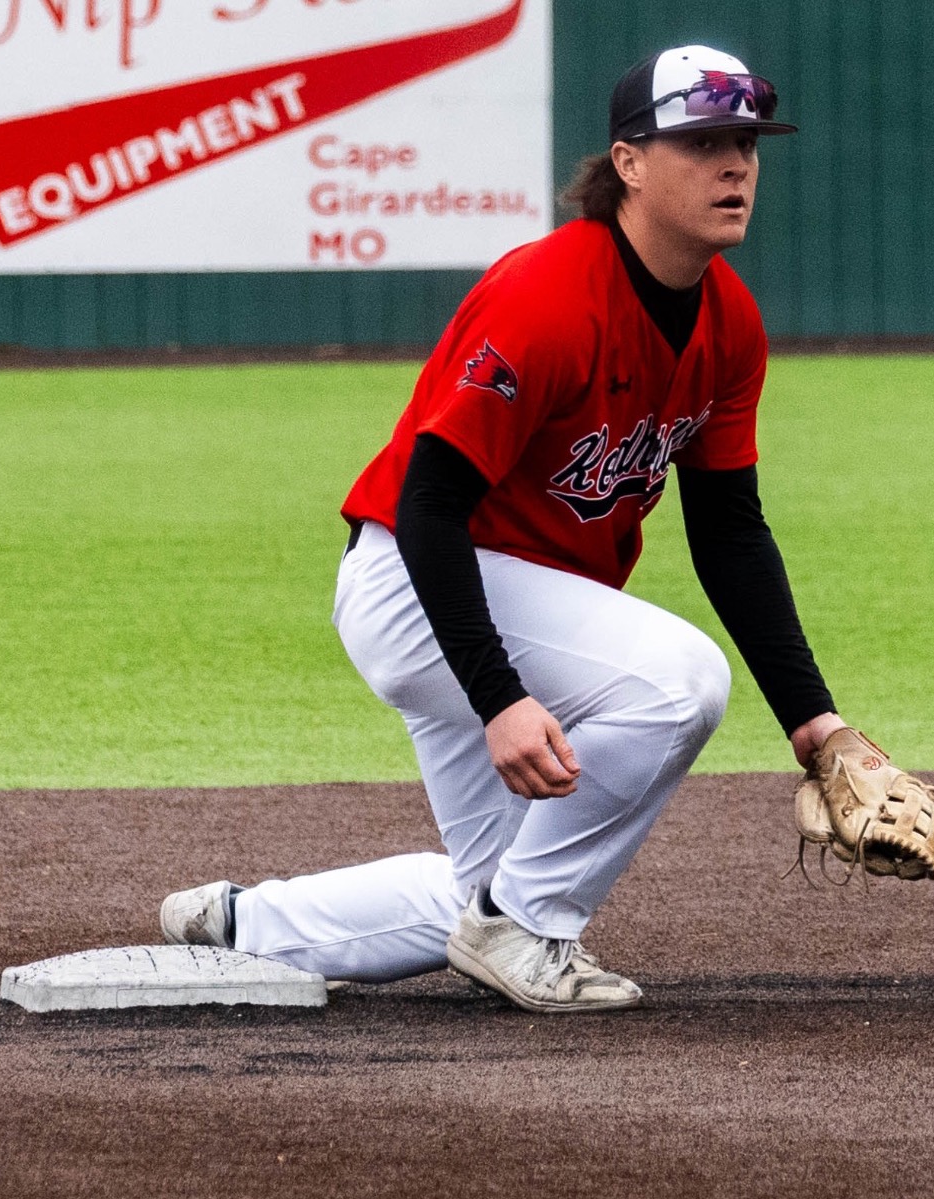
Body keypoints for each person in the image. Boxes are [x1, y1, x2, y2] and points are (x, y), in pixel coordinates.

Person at [160, 44, 847, 1013]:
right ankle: (523, 926)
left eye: (745, 143)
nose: (734, 164)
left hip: (512, 599)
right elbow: (428, 503)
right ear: (629, 162)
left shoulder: (729, 322)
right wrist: (500, 697)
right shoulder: (549, 294)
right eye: (701, 143)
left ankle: (244, 925)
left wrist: (816, 724)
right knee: (678, 683)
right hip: (417, 584)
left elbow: (730, 530)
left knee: (484, 886)